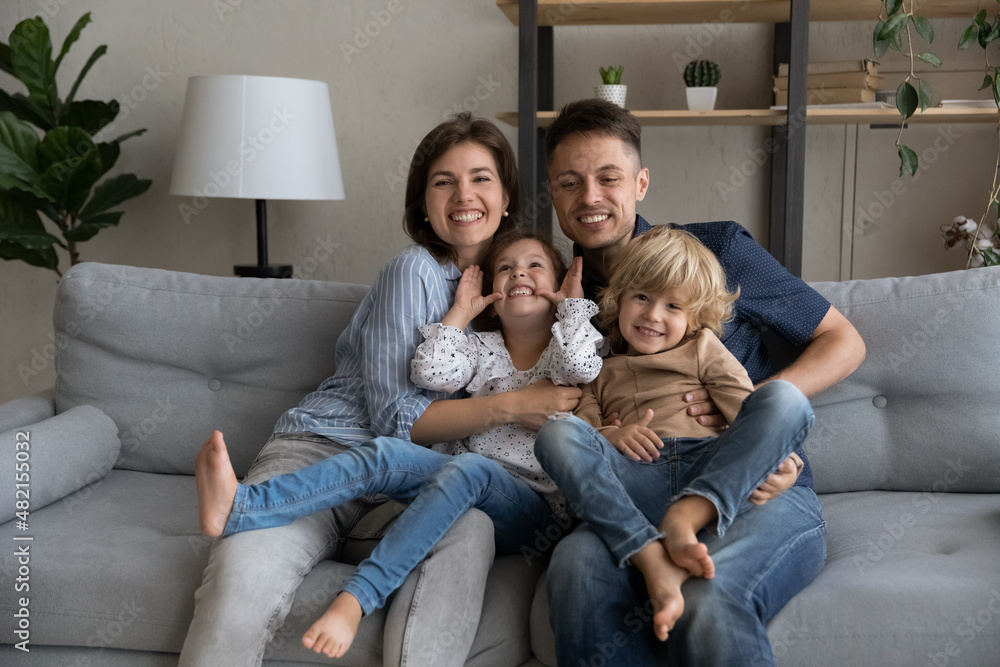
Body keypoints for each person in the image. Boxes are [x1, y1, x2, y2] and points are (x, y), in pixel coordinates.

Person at [179, 114, 584, 667]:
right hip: (328, 450)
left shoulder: (515, 289)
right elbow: (399, 419)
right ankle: (244, 511)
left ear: (507, 195)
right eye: (444, 181)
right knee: (244, 572)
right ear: (423, 203)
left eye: (481, 178)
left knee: (469, 524)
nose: (464, 194)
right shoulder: (415, 270)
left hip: (421, 482)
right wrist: (514, 406)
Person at [539, 98, 867, 665]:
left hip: (756, 493)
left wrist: (753, 424)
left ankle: (692, 520)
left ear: (641, 182)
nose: (590, 197)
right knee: (573, 568)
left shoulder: (716, 252)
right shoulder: (557, 297)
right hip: (630, 493)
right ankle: (652, 555)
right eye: (570, 183)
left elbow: (844, 341)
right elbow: (558, 411)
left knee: (710, 599)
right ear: (553, 195)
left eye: (608, 178)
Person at [534, 224, 816, 643]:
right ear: (619, 299)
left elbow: (748, 412)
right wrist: (613, 435)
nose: (652, 315)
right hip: (635, 484)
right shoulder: (598, 369)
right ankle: (649, 554)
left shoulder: (703, 349)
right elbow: (585, 435)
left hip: (710, 465)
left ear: (696, 318)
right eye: (642, 298)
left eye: (673, 306)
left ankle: (690, 514)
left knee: (784, 399)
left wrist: (776, 458)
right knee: (555, 434)